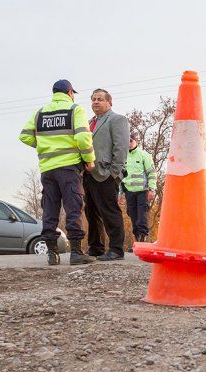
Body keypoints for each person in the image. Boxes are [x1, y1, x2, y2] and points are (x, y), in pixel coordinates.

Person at [18, 79, 96, 266]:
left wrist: (45, 146)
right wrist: (89, 159)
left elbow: (24, 136)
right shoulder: (75, 110)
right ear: (69, 92)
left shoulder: (40, 113)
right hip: (69, 167)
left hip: (47, 169)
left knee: (50, 210)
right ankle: (76, 253)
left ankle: (52, 254)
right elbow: (83, 138)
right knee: (73, 208)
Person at [84, 89, 130, 261]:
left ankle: (116, 249)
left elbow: (121, 147)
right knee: (91, 212)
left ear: (109, 102)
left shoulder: (117, 119)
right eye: (94, 99)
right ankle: (96, 247)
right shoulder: (89, 122)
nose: (96, 102)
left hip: (106, 173)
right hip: (88, 173)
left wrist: (114, 173)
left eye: (100, 99)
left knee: (109, 211)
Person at [119, 132, 156, 251]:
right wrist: (120, 194)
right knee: (133, 217)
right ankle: (138, 241)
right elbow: (120, 177)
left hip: (142, 192)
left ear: (136, 141)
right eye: (127, 141)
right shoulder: (122, 156)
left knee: (142, 217)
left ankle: (142, 242)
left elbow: (151, 173)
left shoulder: (144, 155)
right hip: (129, 192)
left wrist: (152, 189)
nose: (129, 143)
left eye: (131, 141)